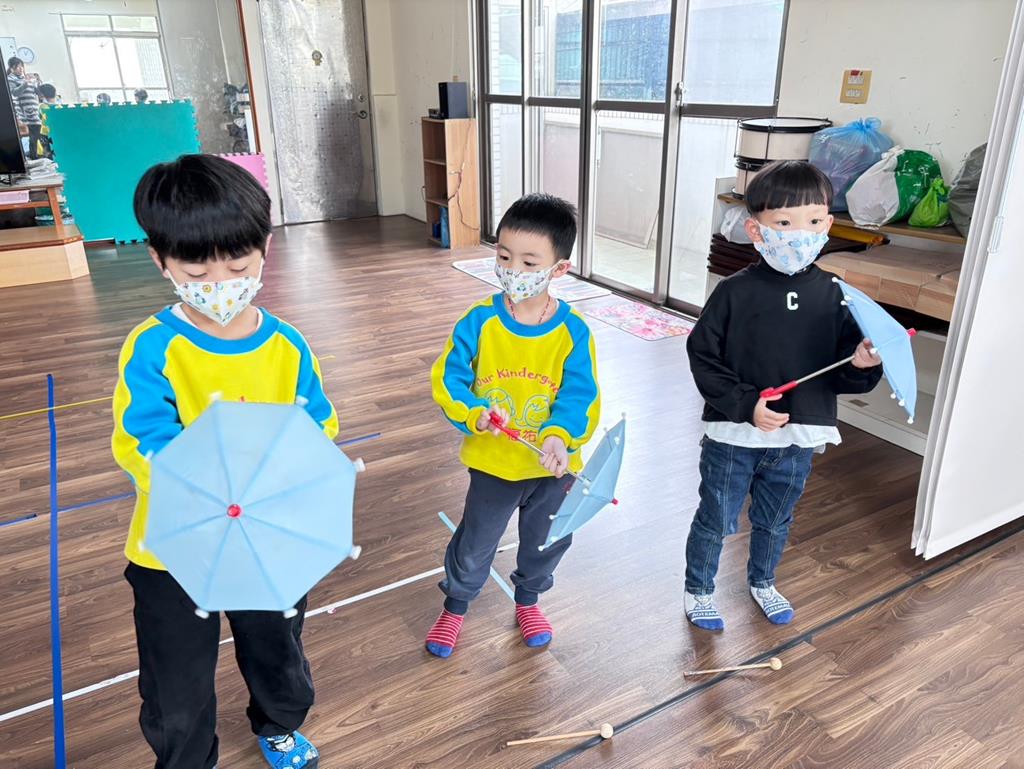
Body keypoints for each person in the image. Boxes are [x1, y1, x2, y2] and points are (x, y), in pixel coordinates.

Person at [111, 155, 335, 769]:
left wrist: (291, 464)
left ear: (265, 250)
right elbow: (139, 438)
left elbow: (319, 421)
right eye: (196, 270)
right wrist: (209, 477)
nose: (219, 283)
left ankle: (279, 725)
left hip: (264, 538)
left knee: (278, 649)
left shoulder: (287, 344)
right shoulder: (154, 347)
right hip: (173, 548)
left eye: (238, 266)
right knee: (175, 681)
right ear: (160, 261)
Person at [683, 160, 883, 631]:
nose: (800, 234)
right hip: (733, 437)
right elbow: (702, 355)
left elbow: (842, 372)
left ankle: (763, 581)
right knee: (717, 518)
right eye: (785, 223)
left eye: (813, 222)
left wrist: (861, 364)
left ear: (827, 225)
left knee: (776, 520)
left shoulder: (836, 294)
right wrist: (746, 404)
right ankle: (699, 589)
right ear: (757, 229)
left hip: (797, 439)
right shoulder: (734, 292)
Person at [425, 193, 601, 657]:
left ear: (558, 269)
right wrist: (472, 412)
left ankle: (528, 601)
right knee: (476, 541)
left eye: (528, 262)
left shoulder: (573, 331)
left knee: (545, 542)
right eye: (504, 257)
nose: (513, 269)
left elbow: (581, 396)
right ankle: (455, 605)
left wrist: (559, 437)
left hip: (552, 467)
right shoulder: (480, 321)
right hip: (494, 463)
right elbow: (449, 378)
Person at [6, 57, 42, 159]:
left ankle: (33, 154)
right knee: (34, 133)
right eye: (17, 67)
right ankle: (33, 156)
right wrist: (25, 83)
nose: (20, 68)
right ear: (11, 68)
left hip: (34, 110)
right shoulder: (10, 79)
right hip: (24, 112)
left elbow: (36, 93)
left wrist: (37, 83)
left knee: (36, 134)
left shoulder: (25, 77)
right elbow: (15, 93)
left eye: (21, 66)